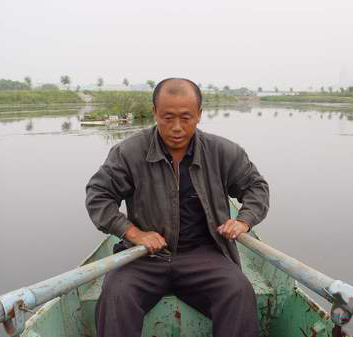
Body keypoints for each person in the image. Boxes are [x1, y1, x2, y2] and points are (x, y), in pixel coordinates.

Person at [85, 78, 270, 337]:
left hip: (204, 253)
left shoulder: (222, 151)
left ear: (199, 115)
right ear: (154, 113)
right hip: (143, 256)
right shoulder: (129, 152)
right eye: (167, 117)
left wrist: (244, 220)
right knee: (116, 296)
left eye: (186, 118)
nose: (176, 128)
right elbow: (98, 195)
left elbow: (256, 186)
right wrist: (134, 234)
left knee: (238, 292)